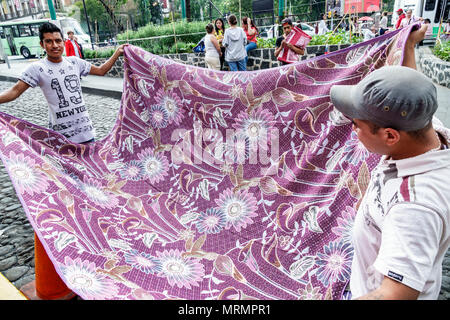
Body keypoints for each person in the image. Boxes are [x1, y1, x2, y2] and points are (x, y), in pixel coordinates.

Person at [0, 22, 128, 300]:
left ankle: (101, 231)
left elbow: (103, 71)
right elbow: (13, 93)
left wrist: (118, 53)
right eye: (49, 41)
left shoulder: (75, 63)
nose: (55, 45)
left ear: (63, 41)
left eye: (58, 40)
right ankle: (78, 236)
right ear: (42, 44)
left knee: (93, 184)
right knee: (70, 188)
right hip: (62, 142)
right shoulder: (37, 70)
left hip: (88, 137)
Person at [330, 24, 450, 300]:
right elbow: (411, 92)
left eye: (355, 123)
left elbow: (394, 294)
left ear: (390, 135)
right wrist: (409, 46)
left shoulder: (414, 206)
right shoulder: (428, 133)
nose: (352, 130)